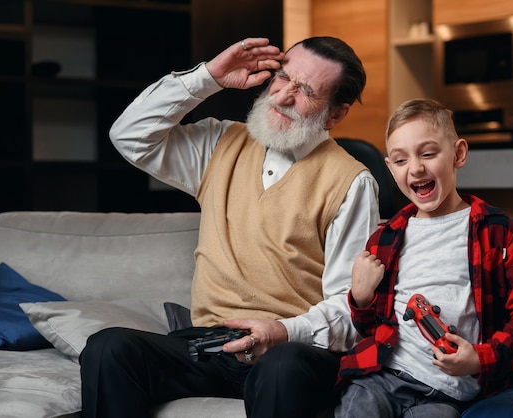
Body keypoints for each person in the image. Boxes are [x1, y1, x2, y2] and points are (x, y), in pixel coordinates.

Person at [79, 36, 382, 418]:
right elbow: (129, 136)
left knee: (282, 367)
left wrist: (284, 333)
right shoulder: (219, 143)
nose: (283, 96)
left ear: (336, 114)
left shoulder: (351, 182)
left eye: (305, 90)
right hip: (208, 343)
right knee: (109, 348)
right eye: (283, 77)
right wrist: (209, 76)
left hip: (289, 351)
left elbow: (349, 305)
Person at [334, 98, 513, 418]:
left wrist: (481, 358)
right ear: (390, 168)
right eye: (401, 159)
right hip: (382, 377)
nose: (416, 168)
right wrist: (361, 298)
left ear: (458, 154)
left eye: (428, 153)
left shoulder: (495, 230)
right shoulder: (385, 238)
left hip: (447, 393)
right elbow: (370, 328)